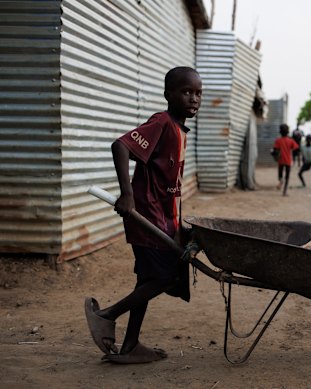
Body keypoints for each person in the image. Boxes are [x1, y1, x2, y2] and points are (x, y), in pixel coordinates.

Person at [84, 67, 203, 364]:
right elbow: (121, 146)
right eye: (186, 91)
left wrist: (178, 225)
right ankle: (106, 315)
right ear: (168, 95)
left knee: (147, 280)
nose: (194, 98)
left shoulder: (179, 130)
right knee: (163, 279)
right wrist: (127, 194)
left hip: (163, 220)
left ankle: (130, 344)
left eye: (198, 93)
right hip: (147, 216)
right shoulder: (162, 122)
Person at [272, 124, 298, 196]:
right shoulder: (291, 141)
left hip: (280, 160)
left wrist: (274, 154)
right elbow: (296, 148)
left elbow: (275, 150)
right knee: (287, 176)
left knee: (280, 174)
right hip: (288, 160)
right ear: (288, 132)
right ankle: (284, 191)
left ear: (280, 132)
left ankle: (280, 180)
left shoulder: (278, 140)